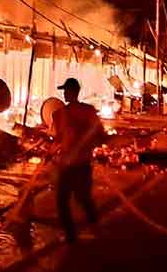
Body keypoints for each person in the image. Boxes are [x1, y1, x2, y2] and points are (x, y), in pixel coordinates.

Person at [51, 78, 107, 243]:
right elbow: (100, 134)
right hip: (79, 164)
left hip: (72, 165)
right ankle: (92, 230)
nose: (64, 94)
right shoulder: (87, 111)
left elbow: (59, 138)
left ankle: (72, 236)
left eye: (66, 91)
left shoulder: (60, 114)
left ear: (71, 92)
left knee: (65, 201)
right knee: (82, 199)